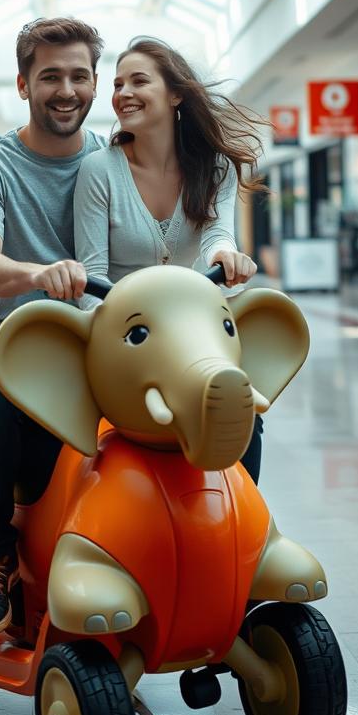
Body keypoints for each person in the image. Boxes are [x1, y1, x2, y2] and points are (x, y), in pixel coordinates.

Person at [0, 16, 104, 636]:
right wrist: (39, 275)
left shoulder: (115, 159)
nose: (66, 90)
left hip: (105, 331)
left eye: (79, 75)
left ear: (96, 82)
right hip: (15, 333)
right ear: (22, 84)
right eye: (50, 77)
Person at [74, 36, 266, 482]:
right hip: (125, 340)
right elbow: (92, 273)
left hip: (192, 337)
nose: (123, 94)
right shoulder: (99, 170)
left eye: (139, 81)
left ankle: (244, 520)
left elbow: (217, 233)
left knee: (245, 415)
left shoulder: (213, 166)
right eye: (118, 85)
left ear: (176, 93)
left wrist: (224, 254)